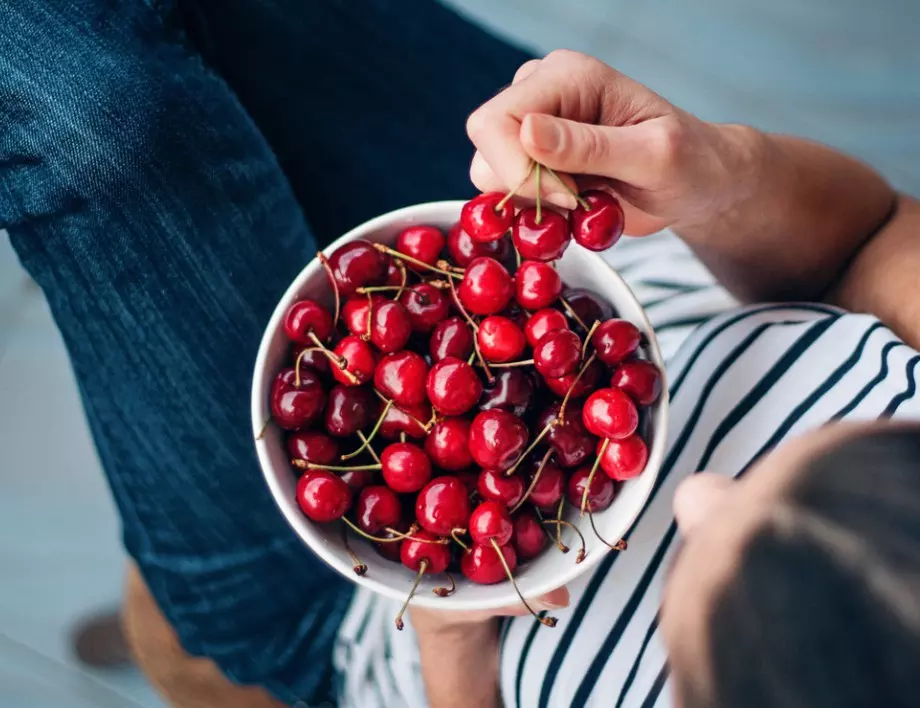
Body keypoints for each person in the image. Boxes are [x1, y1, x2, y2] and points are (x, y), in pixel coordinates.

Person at [3, 3, 918, 708]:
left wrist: (447, 635)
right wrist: (719, 172)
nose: (698, 493)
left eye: (707, 560)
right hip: (560, 267)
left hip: (353, 613)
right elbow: (874, 237)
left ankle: (173, 634)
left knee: (92, 123)